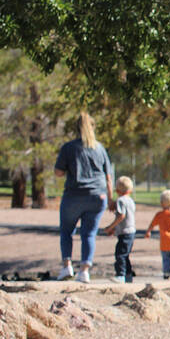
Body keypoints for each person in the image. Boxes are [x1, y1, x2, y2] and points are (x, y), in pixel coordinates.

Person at [54, 112, 114, 283]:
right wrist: (110, 198)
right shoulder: (100, 148)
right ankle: (84, 271)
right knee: (89, 234)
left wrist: (69, 169)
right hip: (98, 195)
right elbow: (108, 176)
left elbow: (58, 172)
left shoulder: (69, 148)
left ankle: (67, 266)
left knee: (67, 231)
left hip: (74, 194)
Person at [101, 176, 136, 284]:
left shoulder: (120, 201)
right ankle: (128, 276)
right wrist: (115, 229)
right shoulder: (130, 200)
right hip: (131, 232)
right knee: (125, 255)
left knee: (120, 254)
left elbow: (121, 216)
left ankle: (120, 275)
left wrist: (110, 227)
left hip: (125, 233)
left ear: (117, 190)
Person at [146, 189, 170, 279]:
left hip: (164, 242)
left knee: (166, 259)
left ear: (161, 203)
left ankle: (166, 273)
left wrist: (148, 231)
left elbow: (152, 224)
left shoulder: (159, 214)